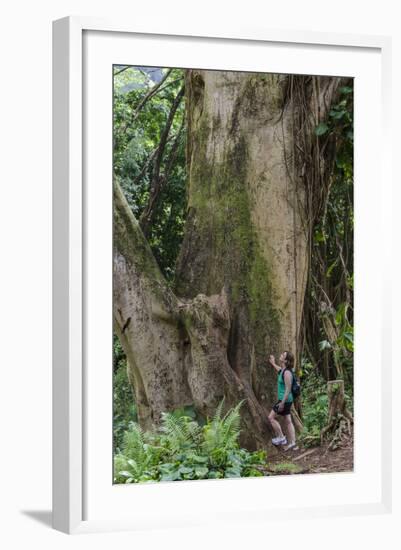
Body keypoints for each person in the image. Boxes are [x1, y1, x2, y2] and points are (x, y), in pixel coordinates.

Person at [268, 351, 297, 451]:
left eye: (283, 355)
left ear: (286, 360)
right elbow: (279, 370)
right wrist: (272, 363)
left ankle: (281, 437)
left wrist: (282, 403)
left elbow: (288, 389)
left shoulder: (288, 372)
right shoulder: (284, 370)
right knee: (288, 420)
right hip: (286, 400)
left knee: (271, 417)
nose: (280, 355)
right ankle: (293, 442)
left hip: (284, 400)